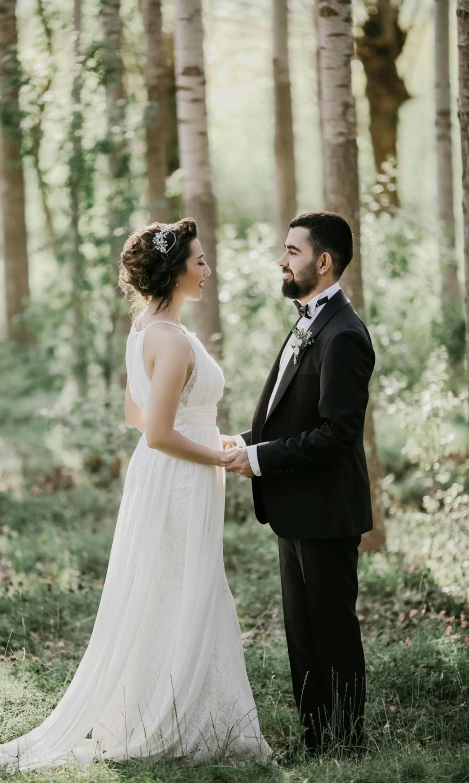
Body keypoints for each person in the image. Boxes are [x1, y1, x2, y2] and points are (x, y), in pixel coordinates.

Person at [0, 218, 272, 774]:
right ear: (174, 272)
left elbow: (137, 413)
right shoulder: (169, 339)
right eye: (198, 261)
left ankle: (169, 703)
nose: (206, 269)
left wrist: (205, 435)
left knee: (168, 586)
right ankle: (182, 715)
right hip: (177, 477)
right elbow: (157, 431)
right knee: (185, 585)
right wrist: (219, 454)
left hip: (167, 472)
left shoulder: (145, 328)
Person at [222, 211, 375, 755]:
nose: (282, 260)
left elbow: (336, 434)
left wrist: (260, 459)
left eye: (292, 251)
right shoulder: (309, 321)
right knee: (303, 635)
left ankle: (348, 745)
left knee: (333, 633)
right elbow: (289, 415)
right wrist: (244, 442)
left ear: (323, 261)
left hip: (327, 512)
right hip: (295, 508)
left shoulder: (344, 335)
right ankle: (316, 742)